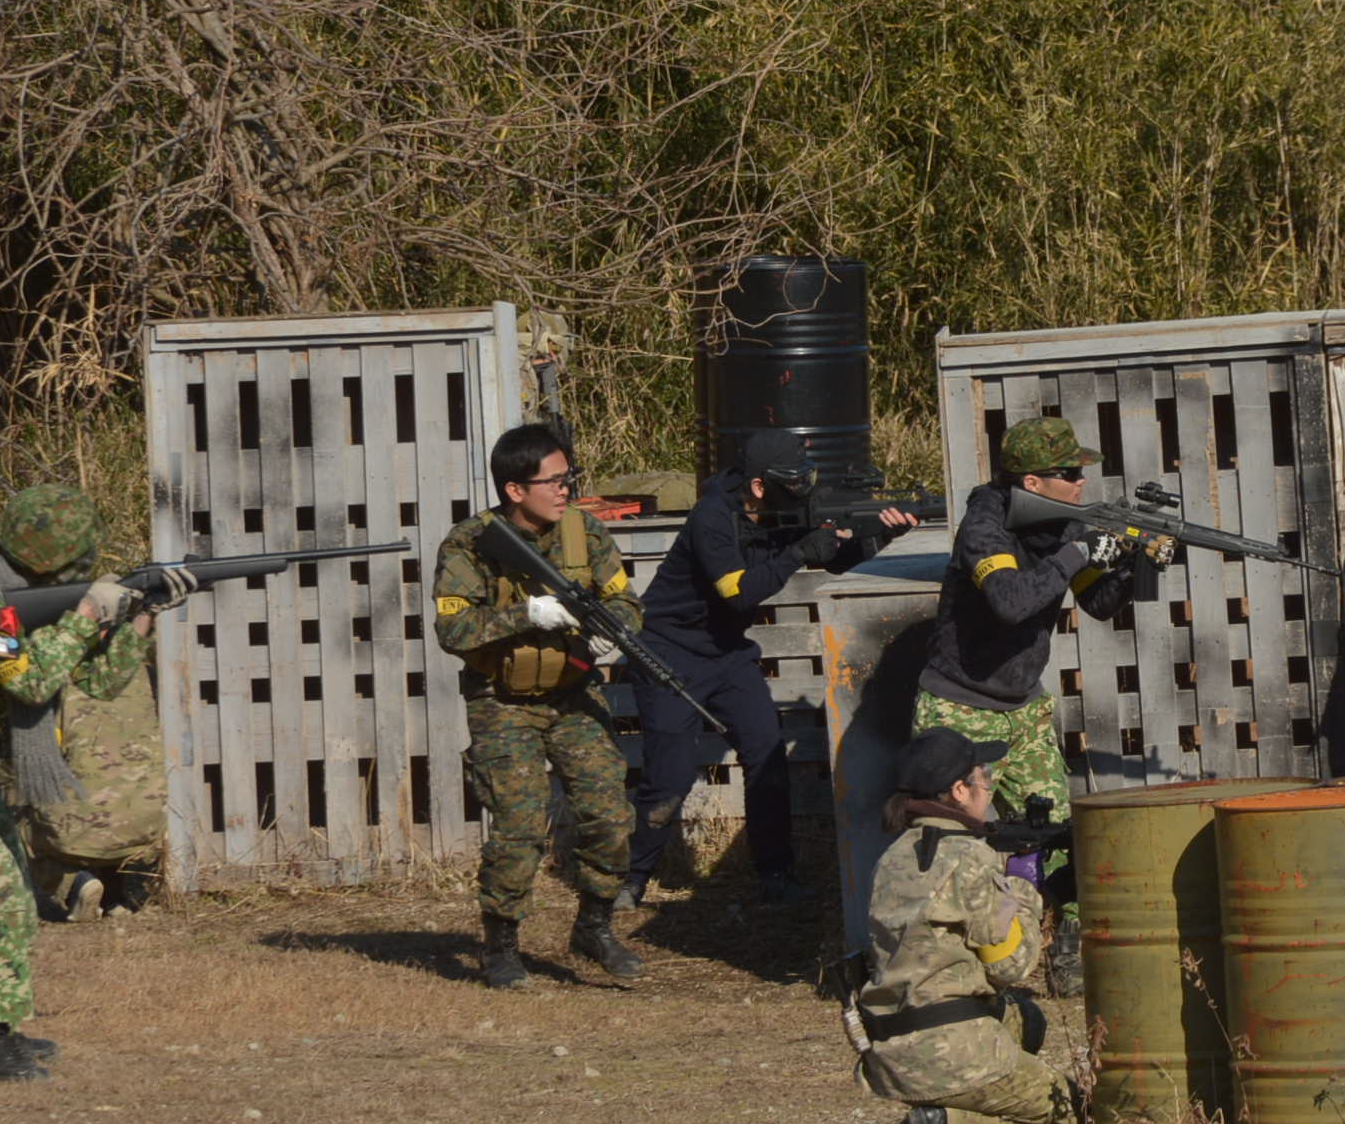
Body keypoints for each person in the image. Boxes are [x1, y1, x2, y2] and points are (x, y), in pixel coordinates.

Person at [913, 414, 1165, 996]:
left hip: (1022, 709)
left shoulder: (1060, 525)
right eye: (1069, 473)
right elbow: (1010, 601)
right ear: (1031, 482)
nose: (1081, 482)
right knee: (947, 840)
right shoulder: (985, 526)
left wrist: (1137, 562)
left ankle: (1065, 948)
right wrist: (1078, 551)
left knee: (1052, 832)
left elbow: (1099, 603)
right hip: (957, 711)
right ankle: (939, 965)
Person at [620, 432, 916, 912]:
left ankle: (776, 875)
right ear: (759, 486)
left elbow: (835, 559)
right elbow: (737, 592)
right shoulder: (712, 518)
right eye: (794, 481)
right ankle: (629, 879)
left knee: (766, 755)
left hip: (726, 654)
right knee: (669, 777)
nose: (804, 488)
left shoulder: (784, 507)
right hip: (668, 651)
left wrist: (880, 534)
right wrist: (798, 553)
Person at [0, 484, 165, 1079]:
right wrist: (88, 613)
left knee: (15, 892)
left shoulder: (19, 603)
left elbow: (99, 682)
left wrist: (145, 612)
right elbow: (27, 681)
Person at [431, 421, 646, 991]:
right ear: (515, 490)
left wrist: (611, 632)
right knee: (520, 825)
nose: (564, 490)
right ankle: (501, 944)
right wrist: (526, 614)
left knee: (609, 813)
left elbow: (624, 600)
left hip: (574, 691)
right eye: (552, 481)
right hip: (502, 701)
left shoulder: (585, 532)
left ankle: (594, 926)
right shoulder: (470, 543)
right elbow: (452, 630)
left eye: (567, 478)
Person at [853, 728, 1084, 1124]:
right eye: (984, 778)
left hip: (893, 1044)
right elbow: (1011, 966)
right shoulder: (969, 858)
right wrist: (1024, 891)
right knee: (1077, 1118)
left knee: (1025, 1018)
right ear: (959, 790)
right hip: (951, 1049)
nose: (989, 788)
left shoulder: (893, 857)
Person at [23, 632, 167, 921]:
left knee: (16, 821)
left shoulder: (50, 677)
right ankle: (120, 896)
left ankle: (75, 884)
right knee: (120, 790)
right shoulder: (147, 674)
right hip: (149, 828)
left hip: (84, 830)